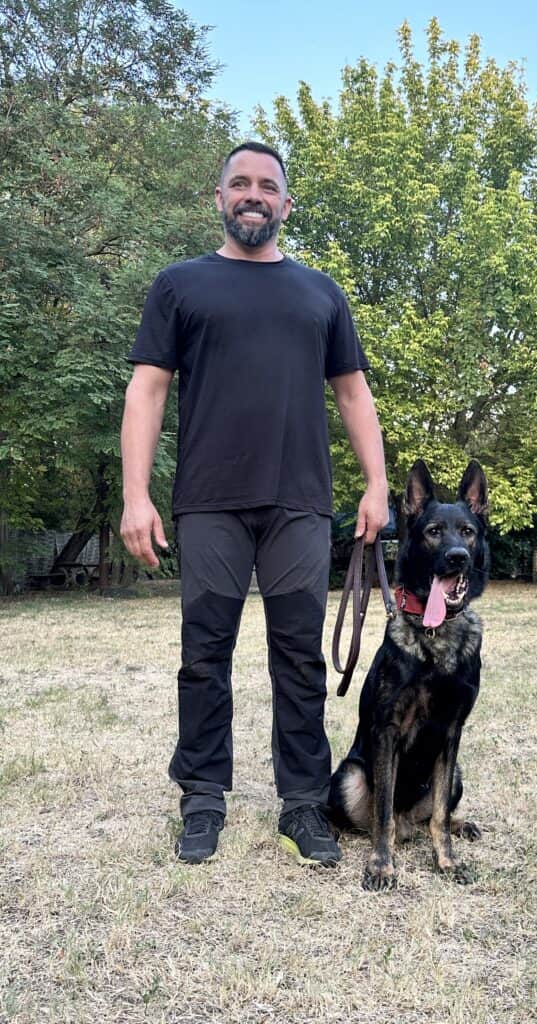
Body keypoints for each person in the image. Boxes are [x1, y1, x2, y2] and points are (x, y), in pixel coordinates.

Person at [120, 141, 389, 867]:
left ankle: (303, 804)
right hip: (208, 501)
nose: (253, 194)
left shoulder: (321, 294)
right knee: (203, 654)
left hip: (299, 502)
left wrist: (377, 482)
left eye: (267, 186)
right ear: (218, 198)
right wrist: (134, 494)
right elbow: (146, 389)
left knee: (298, 658)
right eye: (239, 183)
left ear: (286, 205)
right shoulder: (179, 286)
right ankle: (202, 798)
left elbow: (353, 393)